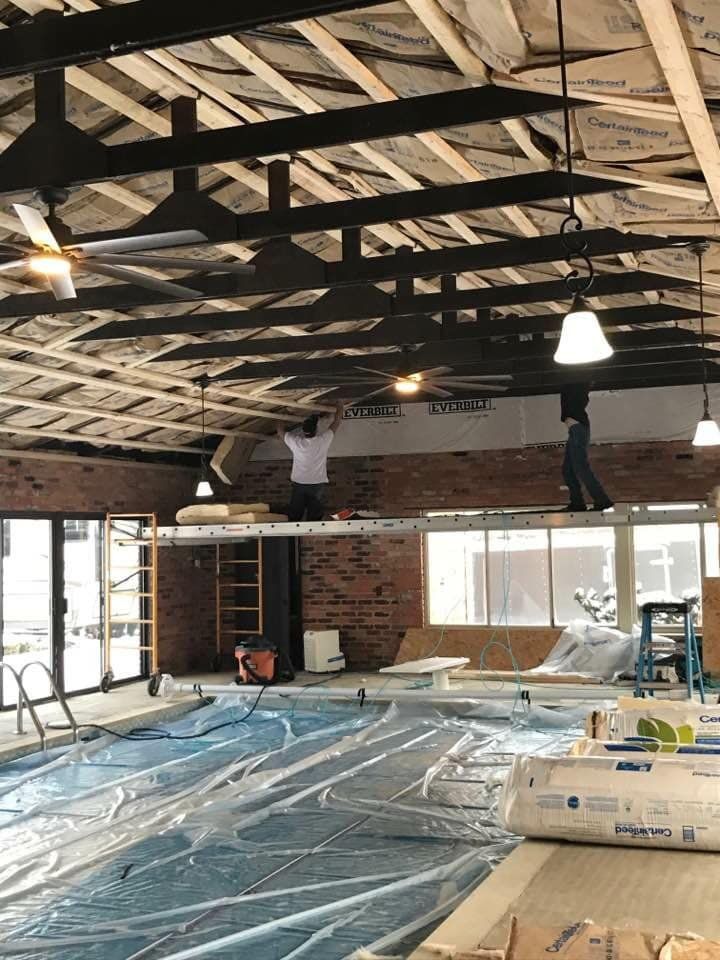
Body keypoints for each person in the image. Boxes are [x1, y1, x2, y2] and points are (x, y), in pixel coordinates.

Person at [277, 401, 344, 521]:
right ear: (316, 430)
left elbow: (280, 430)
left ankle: (293, 537)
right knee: (314, 519)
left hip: (299, 484)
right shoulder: (322, 441)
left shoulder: (296, 443)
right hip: (317, 485)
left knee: (294, 517)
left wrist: (283, 411)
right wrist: (340, 405)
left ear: (303, 430)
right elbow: (336, 422)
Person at [560, 382, 613, 512]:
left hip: (578, 428)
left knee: (580, 467)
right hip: (576, 429)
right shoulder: (575, 383)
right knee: (568, 469)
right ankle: (577, 503)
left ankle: (602, 499)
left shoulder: (578, 381)